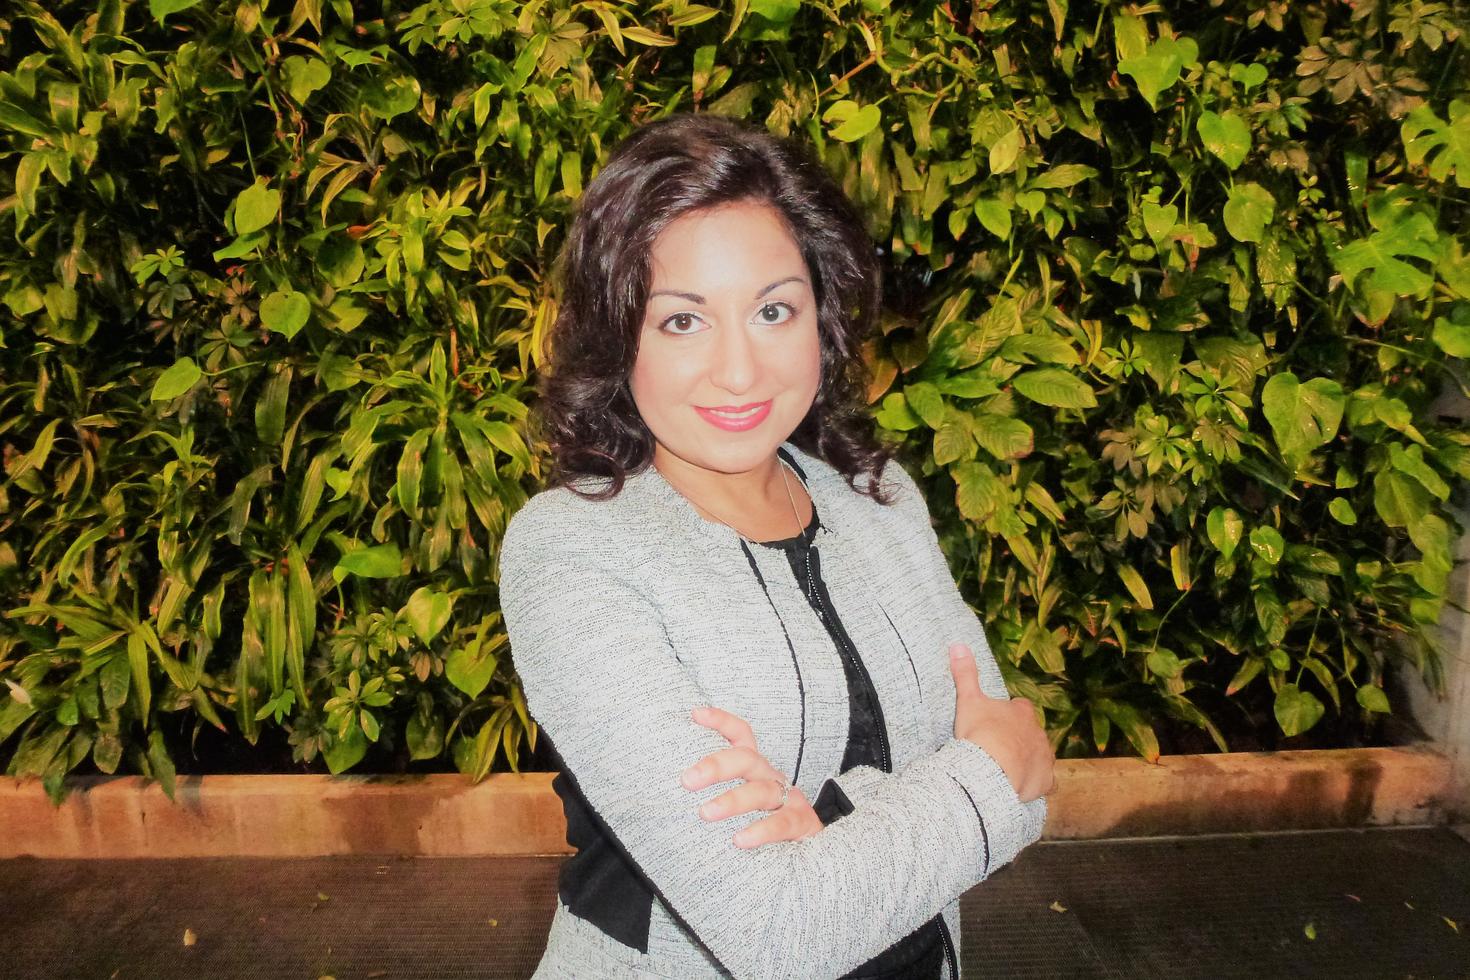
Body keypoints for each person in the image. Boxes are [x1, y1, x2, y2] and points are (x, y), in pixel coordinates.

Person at [497, 112, 1055, 980]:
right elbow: (779, 931)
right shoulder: (573, 553)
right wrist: (976, 786)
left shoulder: (879, 499)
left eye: (772, 309)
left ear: (821, 314)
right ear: (620, 338)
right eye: (683, 321)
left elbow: (1022, 750)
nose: (740, 369)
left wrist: (832, 826)